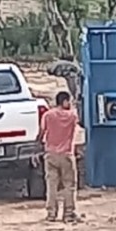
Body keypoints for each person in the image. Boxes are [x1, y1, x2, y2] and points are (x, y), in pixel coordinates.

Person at [38, 91, 80, 222]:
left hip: (51, 154)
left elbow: (41, 133)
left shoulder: (48, 115)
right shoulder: (72, 116)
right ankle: (68, 213)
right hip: (66, 154)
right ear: (65, 101)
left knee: (51, 185)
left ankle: (51, 213)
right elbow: (78, 122)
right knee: (69, 185)